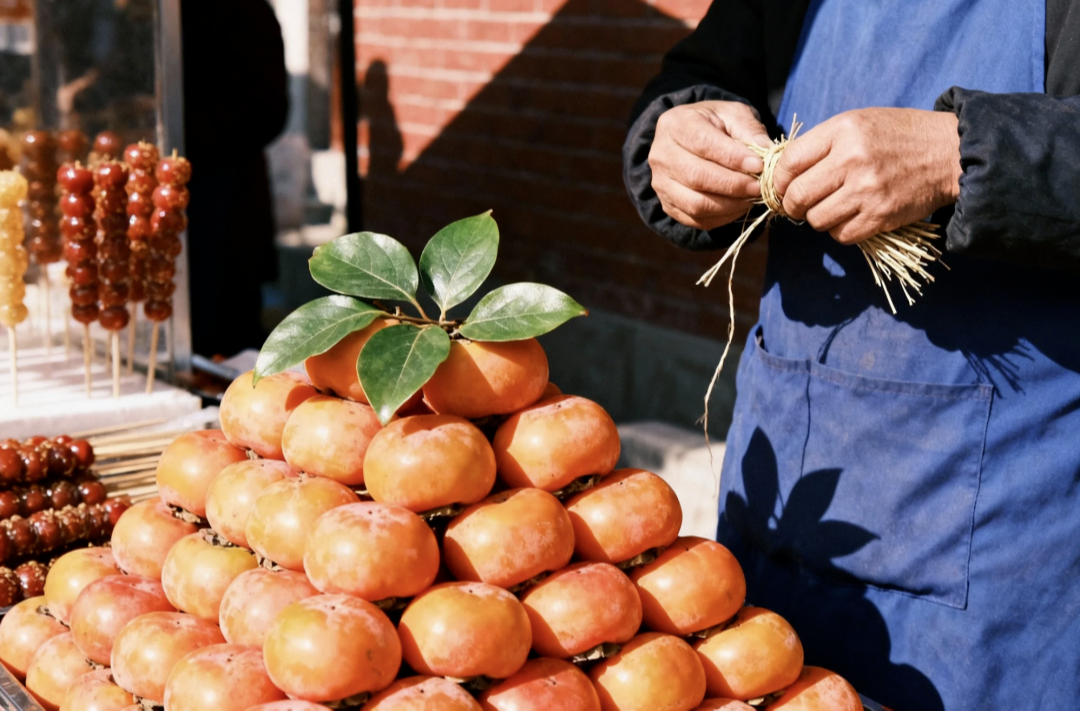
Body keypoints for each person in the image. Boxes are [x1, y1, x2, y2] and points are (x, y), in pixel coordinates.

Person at [623, 2, 1080, 709]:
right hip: (786, 494)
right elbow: (705, 74)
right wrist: (678, 130)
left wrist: (962, 155)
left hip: (1005, 535)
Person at [181, 0, 288, 357]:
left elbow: (267, 110)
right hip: (171, 209)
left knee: (226, 348)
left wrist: (179, 132)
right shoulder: (152, 14)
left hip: (227, 213)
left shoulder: (245, 12)